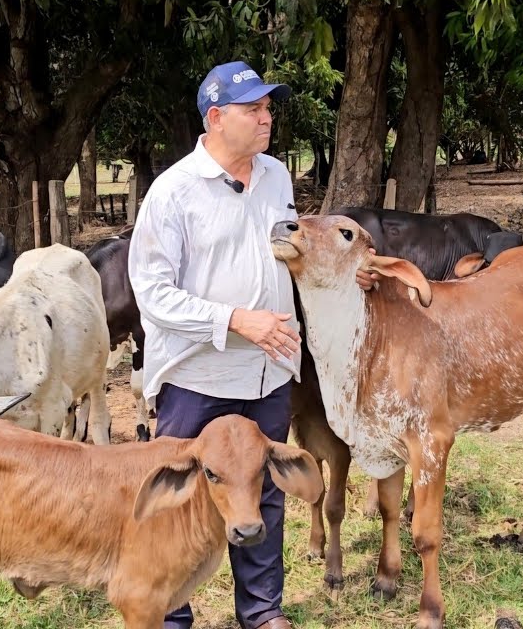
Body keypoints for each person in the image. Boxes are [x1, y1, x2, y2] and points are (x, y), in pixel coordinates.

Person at [128, 60, 375, 629]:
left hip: (268, 370)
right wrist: (237, 319)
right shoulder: (173, 193)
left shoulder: (276, 178)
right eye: (254, 110)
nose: (267, 119)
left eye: (268, 109)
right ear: (215, 118)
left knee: (264, 489)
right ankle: (170, 613)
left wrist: (347, 271)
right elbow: (153, 294)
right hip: (198, 377)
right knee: (184, 494)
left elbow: (291, 251)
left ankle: (262, 613)